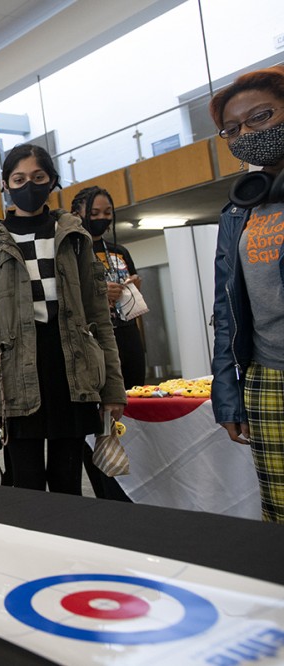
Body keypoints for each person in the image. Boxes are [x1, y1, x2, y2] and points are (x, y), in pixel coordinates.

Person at [0, 143, 126, 494]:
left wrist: (113, 390)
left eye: (38, 177)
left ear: (52, 181)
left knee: (69, 483)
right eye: (18, 179)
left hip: (72, 371)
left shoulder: (75, 237)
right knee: (25, 484)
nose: (28, 186)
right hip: (15, 376)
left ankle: (69, 545)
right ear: (5, 184)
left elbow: (99, 319)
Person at [209, 65, 284, 523]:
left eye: (260, 117)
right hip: (268, 378)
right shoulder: (239, 210)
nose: (245, 134)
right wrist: (227, 391)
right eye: (232, 129)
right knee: (278, 509)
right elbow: (225, 308)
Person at [69, 186, 143, 502]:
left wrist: (131, 288)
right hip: (93, 345)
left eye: (107, 214)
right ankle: (106, 492)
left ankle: (138, 484)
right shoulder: (72, 250)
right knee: (98, 425)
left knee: (133, 413)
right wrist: (101, 294)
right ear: (78, 215)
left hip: (127, 337)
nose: (101, 219)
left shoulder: (119, 251)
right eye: (94, 213)